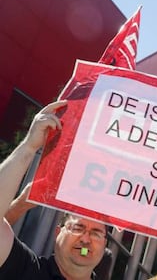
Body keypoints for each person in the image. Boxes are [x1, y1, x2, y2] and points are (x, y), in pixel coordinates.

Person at [0, 100, 107, 279]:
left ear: (104, 244)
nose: (85, 240)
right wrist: (29, 146)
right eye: (78, 228)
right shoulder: (24, 269)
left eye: (96, 233)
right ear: (58, 232)